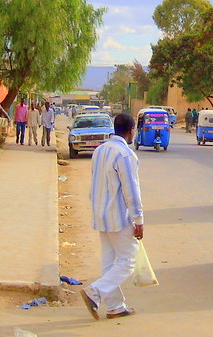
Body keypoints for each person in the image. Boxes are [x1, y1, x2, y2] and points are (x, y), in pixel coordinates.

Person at [80, 113, 144, 321]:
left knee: (109, 262)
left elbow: (94, 182)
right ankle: (95, 291)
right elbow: (131, 191)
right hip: (118, 218)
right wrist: (138, 220)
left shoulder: (100, 150)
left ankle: (115, 306)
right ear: (130, 130)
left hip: (100, 214)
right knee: (128, 261)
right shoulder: (125, 155)